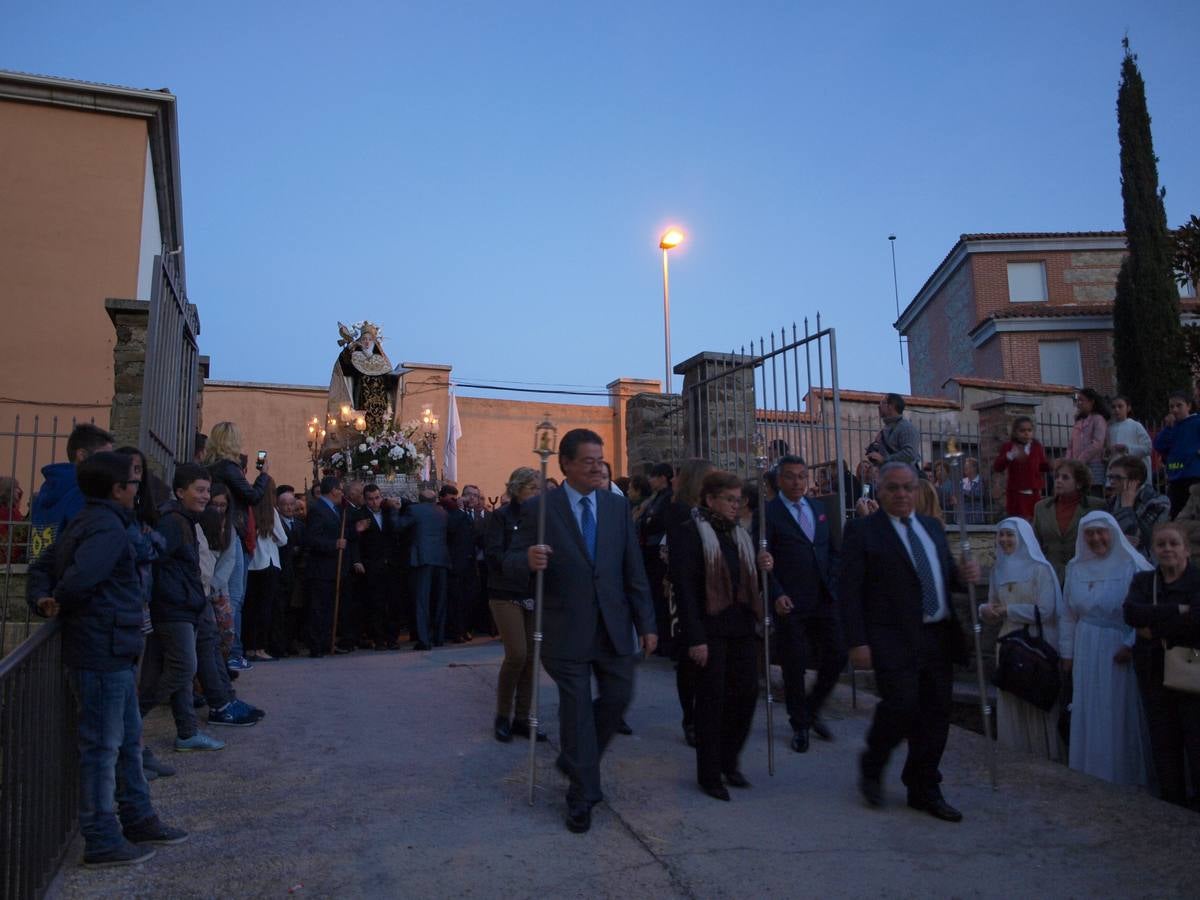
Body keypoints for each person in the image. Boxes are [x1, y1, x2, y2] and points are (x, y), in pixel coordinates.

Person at [27, 451, 188, 867]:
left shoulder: (94, 520)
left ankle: (137, 817)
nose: (138, 489)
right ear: (119, 489)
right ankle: (101, 836)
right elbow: (80, 578)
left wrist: (45, 596)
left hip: (111, 647)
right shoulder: (107, 528)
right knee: (103, 747)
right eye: (134, 482)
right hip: (102, 648)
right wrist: (56, 598)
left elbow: (46, 565)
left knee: (126, 743)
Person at [505, 428, 656, 834]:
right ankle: (582, 793)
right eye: (588, 460)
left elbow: (632, 569)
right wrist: (529, 560)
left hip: (612, 625)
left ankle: (574, 758)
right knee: (576, 713)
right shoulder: (541, 509)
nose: (597, 467)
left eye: (600, 460)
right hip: (563, 627)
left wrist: (647, 623)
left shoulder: (615, 507)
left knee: (619, 697)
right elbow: (508, 561)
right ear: (566, 464)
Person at [840, 461, 980, 823]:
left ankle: (924, 786)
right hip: (892, 637)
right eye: (893, 488)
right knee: (901, 705)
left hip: (937, 635)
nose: (902, 494)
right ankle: (874, 763)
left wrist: (965, 576)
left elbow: (944, 576)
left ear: (917, 490)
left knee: (936, 714)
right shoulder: (862, 532)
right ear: (880, 490)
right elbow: (849, 591)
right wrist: (857, 641)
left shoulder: (932, 528)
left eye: (908, 487)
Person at [675, 471, 767, 800]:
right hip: (710, 630)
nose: (735, 505)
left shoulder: (739, 534)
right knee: (712, 702)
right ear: (710, 499)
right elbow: (685, 589)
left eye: (738, 499)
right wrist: (695, 638)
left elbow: (746, 576)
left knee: (745, 694)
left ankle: (730, 760)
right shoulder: (690, 533)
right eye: (729, 499)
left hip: (741, 627)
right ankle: (709, 773)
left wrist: (761, 564)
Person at [1059, 511, 1154, 786]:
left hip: (1117, 647)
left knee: (1116, 708)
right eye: (1089, 533)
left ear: (1113, 534)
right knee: (1089, 707)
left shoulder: (1132, 566)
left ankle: (1122, 776)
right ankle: (1091, 772)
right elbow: (1067, 613)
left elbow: (1146, 611)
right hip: (1086, 645)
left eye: (1101, 532)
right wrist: (1067, 654)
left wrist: (1130, 644)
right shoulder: (1075, 568)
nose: (1095, 538)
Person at [760, 455, 844, 754]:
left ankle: (812, 707)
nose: (797, 482)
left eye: (801, 476)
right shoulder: (769, 513)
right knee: (794, 665)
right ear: (779, 480)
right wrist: (776, 593)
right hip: (790, 601)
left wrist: (832, 581)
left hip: (823, 597)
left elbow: (832, 549)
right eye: (790, 476)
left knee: (837, 655)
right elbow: (765, 561)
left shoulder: (819, 508)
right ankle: (800, 724)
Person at [141, 463, 226, 753]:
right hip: (173, 607)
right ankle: (132, 718)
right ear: (180, 491)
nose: (205, 496)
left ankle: (187, 731)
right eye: (199, 490)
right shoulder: (173, 522)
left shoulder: (185, 520)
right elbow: (154, 559)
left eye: (207, 490)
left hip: (183, 605)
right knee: (182, 667)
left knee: (179, 672)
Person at [1123, 521, 1200, 806]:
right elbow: (1131, 613)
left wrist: (1154, 627)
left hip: (1193, 677)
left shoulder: (1196, 580)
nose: (1167, 549)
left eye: (1173, 543)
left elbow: (1198, 622)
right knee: (1164, 745)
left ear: (1186, 549)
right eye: (1161, 544)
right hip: (1154, 673)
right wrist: (1178, 611)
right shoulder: (1144, 582)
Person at [980, 518, 1064, 760]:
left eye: (1010, 535)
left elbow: (1047, 610)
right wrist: (986, 611)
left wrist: (1009, 611)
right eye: (1002, 535)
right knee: (1012, 702)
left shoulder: (1041, 569)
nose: (1005, 540)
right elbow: (993, 604)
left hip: (1035, 643)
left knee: (1036, 700)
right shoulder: (998, 570)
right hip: (1008, 642)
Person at [203, 422, 271, 672]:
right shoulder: (228, 468)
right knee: (234, 596)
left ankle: (227, 650)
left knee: (223, 593)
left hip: (218, 530)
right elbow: (252, 496)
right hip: (234, 531)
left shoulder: (208, 467)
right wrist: (263, 476)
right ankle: (232, 651)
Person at [485, 466, 543, 742]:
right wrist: (521, 563)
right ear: (517, 488)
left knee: (532, 658)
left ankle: (522, 717)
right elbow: (494, 554)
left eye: (539, 488)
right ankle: (502, 715)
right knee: (517, 654)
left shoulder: (542, 518)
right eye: (532, 488)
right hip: (505, 591)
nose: (537, 493)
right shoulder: (501, 517)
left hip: (534, 590)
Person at [665, 458, 715, 746]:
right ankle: (690, 717)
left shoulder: (709, 511)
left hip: (710, 591)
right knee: (689, 658)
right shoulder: (680, 511)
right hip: (688, 590)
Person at [28, 422, 113, 564]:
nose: (110, 464)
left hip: (44, 578)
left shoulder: (46, 491)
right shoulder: (82, 492)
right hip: (71, 579)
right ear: (82, 455)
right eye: (105, 458)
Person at [1033, 459, 1104, 584]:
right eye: (1057, 477)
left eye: (1065, 477)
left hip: (1085, 576)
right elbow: (1036, 543)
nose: (1059, 481)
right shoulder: (1041, 508)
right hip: (1050, 576)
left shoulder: (1096, 506)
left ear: (1079, 483)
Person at [304, 477, 353, 658]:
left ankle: (327, 642)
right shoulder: (318, 509)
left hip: (333, 569)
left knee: (330, 608)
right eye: (340, 489)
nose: (342, 492)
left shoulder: (335, 509)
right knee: (319, 608)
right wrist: (334, 544)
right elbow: (312, 539)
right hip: (321, 570)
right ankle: (317, 645)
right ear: (333, 490)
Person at [396, 489, 451, 650]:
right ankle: (439, 637)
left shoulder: (414, 510)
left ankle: (424, 640)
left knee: (422, 600)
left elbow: (399, 526)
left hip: (422, 558)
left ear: (419, 499)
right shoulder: (442, 512)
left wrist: (393, 511)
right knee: (440, 600)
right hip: (441, 557)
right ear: (435, 500)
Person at [244, 476, 287, 662]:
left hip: (252, 564)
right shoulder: (272, 512)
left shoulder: (250, 509)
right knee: (265, 608)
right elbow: (283, 539)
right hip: (269, 563)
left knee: (250, 607)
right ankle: (261, 647)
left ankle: (249, 646)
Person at [358, 484, 401, 650]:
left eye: (377, 498)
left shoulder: (388, 512)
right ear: (365, 499)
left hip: (391, 565)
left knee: (394, 602)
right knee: (376, 604)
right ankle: (379, 638)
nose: (374, 502)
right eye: (370, 499)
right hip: (372, 565)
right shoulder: (361, 515)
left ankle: (393, 638)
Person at [637, 462, 674, 656]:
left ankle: (664, 641)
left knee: (660, 598)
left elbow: (657, 521)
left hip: (657, 553)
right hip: (650, 552)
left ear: (662, 478)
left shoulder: (666, 498)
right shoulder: (656, 497)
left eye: (653, 476)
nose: (650, 480)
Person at [1106, 455, 1170, 559]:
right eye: (1110, 477)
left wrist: (1127, 509)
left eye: (1117, 477)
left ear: (1135, 481)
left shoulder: (1158, 502)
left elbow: (1142, 539)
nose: (1112, 482)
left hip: (1146, 561)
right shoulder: (1113, 501)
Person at [992, 416, 1050, 520]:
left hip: (1034, 492)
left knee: (1034, 520)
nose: (1026, 433)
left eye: (1029, 430)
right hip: (1016, 494)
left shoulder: (1036, 447)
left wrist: (1052, 465)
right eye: (1022, 431)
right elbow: (998, 466)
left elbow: (1042, 465)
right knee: (1018, 520)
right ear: (1015, 432)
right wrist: (1010, 455)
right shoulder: (1009, 447)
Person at [1154, 391, 1200, 518]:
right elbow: (1159, 445)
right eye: (1171, 406)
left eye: (1179, 405)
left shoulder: (1196, 422)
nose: (1174, 409)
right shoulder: (1172, 427)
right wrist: (1168, 428)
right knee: (1176, 514)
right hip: (1175, 477)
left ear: (1189, 406)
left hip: (1194, 476)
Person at [1068, 389, 1110, 494]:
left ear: (1092, 401)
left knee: (1093, 495)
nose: (1079, 404)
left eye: (1082, 400)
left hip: (1093, 465)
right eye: (1078, 401)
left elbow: (1097, 443)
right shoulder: (1078, 421)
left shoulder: (1098, 419)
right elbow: (1071, 444)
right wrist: (1068, 461)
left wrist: (1081, 459)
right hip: (1076, 466)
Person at [864, 393, 922, 469]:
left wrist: (884, 460)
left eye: (882, 403)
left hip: (904, 478)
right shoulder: (885, 430)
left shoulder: (906, 427)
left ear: (891, 406)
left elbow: (910, 455)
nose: (879, 406)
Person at [1106, 396, 1153, 469]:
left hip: (1135, 469)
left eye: (1120, 406)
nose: (1116, 410)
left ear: (1128, 408)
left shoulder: (1136, 426)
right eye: (1113, 407)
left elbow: (1148, 448)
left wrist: (1127, 448)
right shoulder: (1110, 429)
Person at [0, 476, 28, 563]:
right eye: (16, 488)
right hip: (9, 557)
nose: (19, 491)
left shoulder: (12, 511)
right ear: (9, 491)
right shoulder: (7, 513)